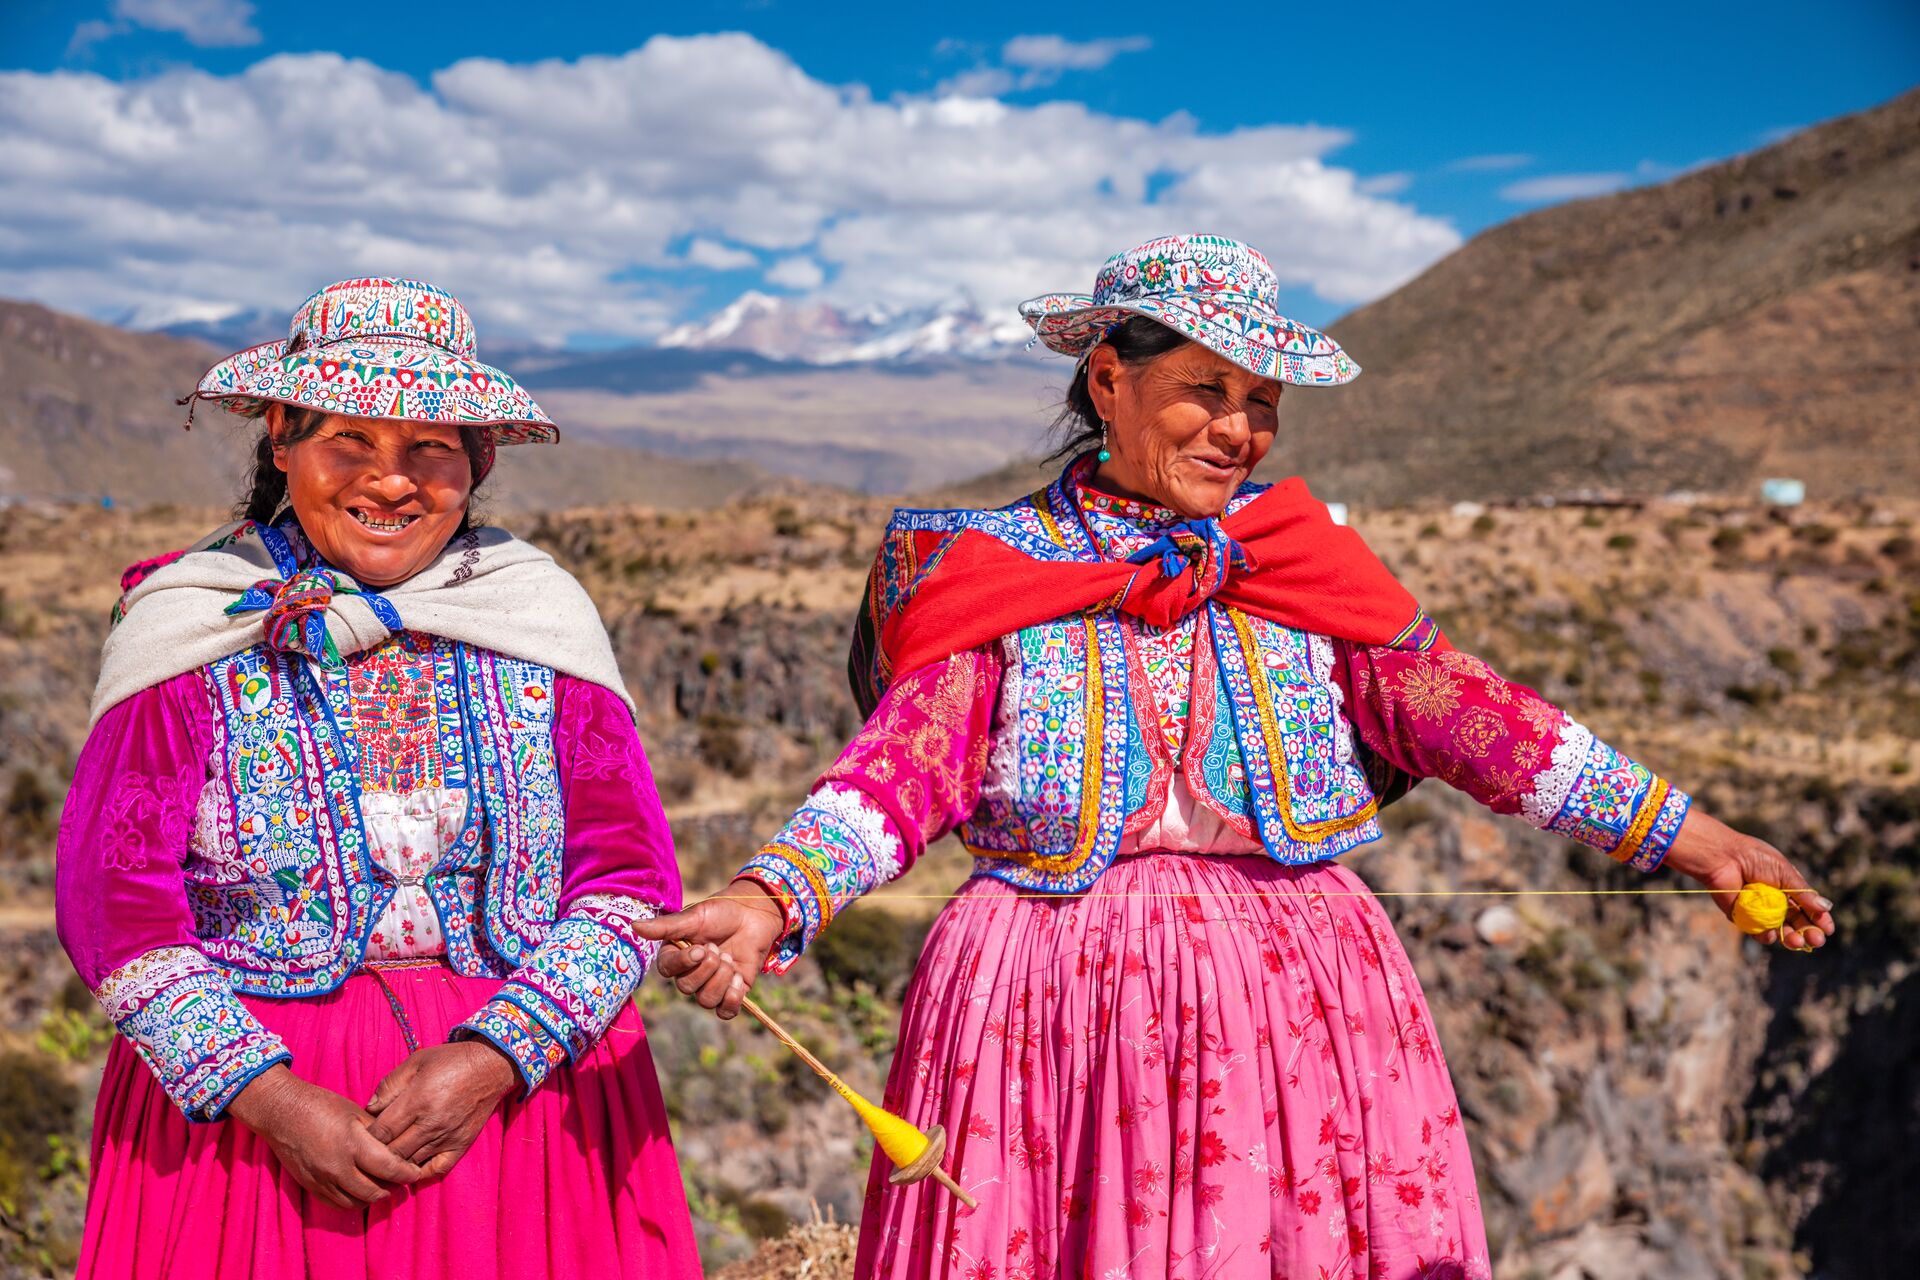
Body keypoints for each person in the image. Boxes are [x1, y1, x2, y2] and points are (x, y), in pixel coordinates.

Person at [639, 234, 1836, 1279]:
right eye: (1205, 387)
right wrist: (768, 897)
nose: (1239, 427)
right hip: (1048, 1014)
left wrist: (1706, 844)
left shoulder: (1302, 570)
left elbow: (1494, 728)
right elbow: (900, 770)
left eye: (1262, 399)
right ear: (1108, 378)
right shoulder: (994, 570)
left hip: (1295, 1009)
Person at [56, 278, 700, 1279]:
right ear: (282, 440)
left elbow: (628, 880)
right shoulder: (195, 626)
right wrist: (266, 1096)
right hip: (253, 1140)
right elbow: (115, 903)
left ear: (476, 461)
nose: (387, 480)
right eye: (347, 440)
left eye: (427, 448)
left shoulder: (540, 620)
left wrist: (498, 1055)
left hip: (523, 1117)